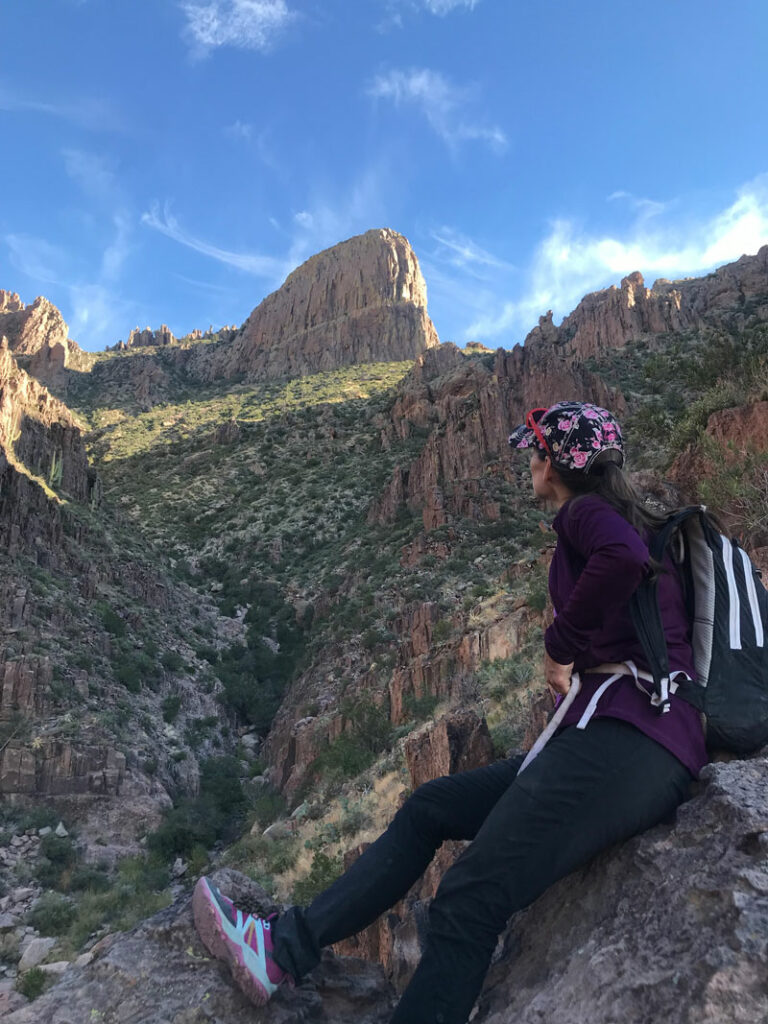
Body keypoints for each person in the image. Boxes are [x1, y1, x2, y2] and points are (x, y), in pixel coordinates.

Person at [192, 400, 708, 1024]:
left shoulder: (586, 512)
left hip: (631, 742)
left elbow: (621, 561)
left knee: (468, 898)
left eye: (535, 451)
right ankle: (282, 947)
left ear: (557, 463)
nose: (528, 463)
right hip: (621, 742)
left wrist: (558, 647)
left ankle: (281, 951)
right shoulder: (623, 515)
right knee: (430, 807)